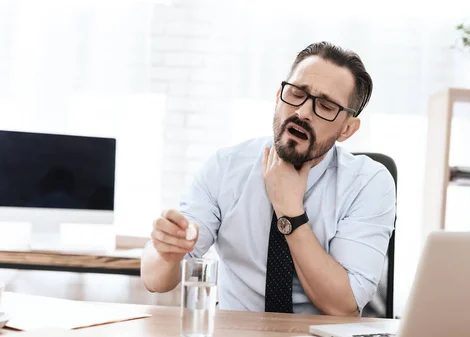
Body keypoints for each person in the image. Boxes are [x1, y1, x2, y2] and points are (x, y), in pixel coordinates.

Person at [141, 41, 396, 316]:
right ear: (278, 96)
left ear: (347, 129)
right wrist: (168, 253)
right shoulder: (226, 168)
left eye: (325, 106)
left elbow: (343, 305)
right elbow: (155, 281)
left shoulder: (369, 183)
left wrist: (290, 211)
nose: (302, 112)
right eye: (297, 93)